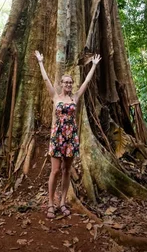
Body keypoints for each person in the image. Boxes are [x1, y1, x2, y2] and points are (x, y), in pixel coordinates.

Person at [34, 50, 101, 218]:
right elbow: (46, 80)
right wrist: (41, 62)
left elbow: (86, 81)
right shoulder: (55, 97)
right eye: (66, 82)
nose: (69, 85)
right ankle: (50, 202)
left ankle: (63, 201)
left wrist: (93, 66)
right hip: (57, 137)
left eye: (71, 83)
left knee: (66, 170)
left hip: (71, 137)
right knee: (55, 170)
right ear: (61, 84)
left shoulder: (75, 98)